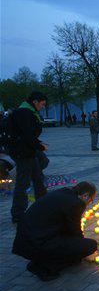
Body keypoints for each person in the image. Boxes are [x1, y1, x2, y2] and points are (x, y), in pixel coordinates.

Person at [12, 182, 98, 281]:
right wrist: (84, 250)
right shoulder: (76, 203)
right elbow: (75, 231)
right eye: (91, 200)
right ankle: (45, 267)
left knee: (75, 251)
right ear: (85, 195)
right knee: (90, 245)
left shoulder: (64, 192)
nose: (89, 203)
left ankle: (44, 259)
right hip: (39, 243)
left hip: (24, 241)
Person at [8, 92, 48, 224]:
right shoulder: (24, 113)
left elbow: (29, 135)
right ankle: (18, 213)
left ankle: (43, 208)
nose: (43, 107)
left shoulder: (29, 112)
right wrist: (40, 146)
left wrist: (38, 144)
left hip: (29, 152)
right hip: (23, 153)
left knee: (38, 180)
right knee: (23, 183)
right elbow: (27, 135)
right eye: (42, 104)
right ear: (35, 102)